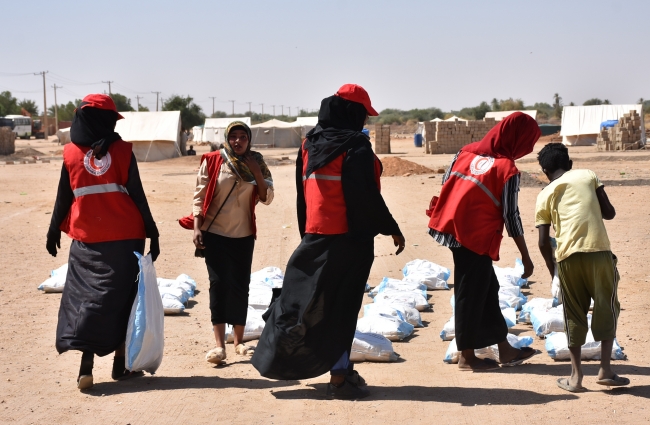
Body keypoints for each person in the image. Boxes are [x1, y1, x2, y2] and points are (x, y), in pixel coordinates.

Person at [252, 84, 405, 400]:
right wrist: (390, 227)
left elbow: (302, 195)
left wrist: (307, 236)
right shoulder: (355, 145)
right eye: (362, 113)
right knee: (343, 308)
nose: (364, 120)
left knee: (312, 306)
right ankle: (338, 380)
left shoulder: (309, 144)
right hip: (349, 241)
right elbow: (365, 197)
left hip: (316, 236)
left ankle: (341, 368)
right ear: (350, 112)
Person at [46, 94, 160, 390]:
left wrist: (53, 229)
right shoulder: (122, 151)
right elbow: (137, 194)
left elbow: (63, 195)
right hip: (126, 238)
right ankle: (120, 366)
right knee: (122, 299)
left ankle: (86, 366)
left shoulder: (70, 153)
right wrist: (153, 230)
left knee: (87, 301)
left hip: (87, 240)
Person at [426, 112, 539, 371]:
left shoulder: (464, 153)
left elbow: (446, 184)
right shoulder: (507, 169)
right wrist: (526, 255)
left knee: (487, 289)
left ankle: (505, 349)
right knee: (470, 293)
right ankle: (466, 356)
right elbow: (511, 215)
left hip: (453, 228)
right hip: (475, 238)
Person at [535, 143, 627, 392]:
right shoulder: (588, 175)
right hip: (598, 253)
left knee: (573, 314)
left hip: (566, 259)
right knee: (606, 306)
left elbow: (543, 242)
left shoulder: (544, 194)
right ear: (570, 163)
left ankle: (575, 378)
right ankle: (606, 370)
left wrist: (552, 270)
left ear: (545, 171)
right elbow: (609, 213)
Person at [179, 121, 273, 365]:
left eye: (243, 137)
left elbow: (267, 198)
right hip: (216, 234)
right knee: (218, 285)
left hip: (243, 235)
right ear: (227, 139)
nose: (238, 141)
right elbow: (199, 197)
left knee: (240, 285)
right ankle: (219, 345)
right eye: (234, 137)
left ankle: (239, 342)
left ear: (249, 140)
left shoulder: (257, 161)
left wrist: (257, 173)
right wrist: (197, 228)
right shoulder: (213, 160)